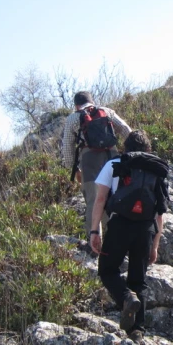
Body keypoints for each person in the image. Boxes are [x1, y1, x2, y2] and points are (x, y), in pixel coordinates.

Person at [89, 130, 169, 344]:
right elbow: (160, 211)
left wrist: (95, 230)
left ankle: (126, 298)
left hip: (120, 225)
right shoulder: (155, 169)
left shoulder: (114, 164)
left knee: (107, 270)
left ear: (126, 147)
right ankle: (137, 332)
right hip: (145, 228)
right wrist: (155, 244)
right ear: (148, 149)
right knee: (138, 280)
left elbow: (100, 200)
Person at [62, 91, 131, 238]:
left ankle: (93, 241)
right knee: (114, 196)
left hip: (89, 161)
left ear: (76, 105)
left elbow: (67, 147)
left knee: (94, 200)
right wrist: (132, 153)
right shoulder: (106, 111)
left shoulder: (73, 118)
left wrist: (75, 170)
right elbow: (126, 130)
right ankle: (115, 238)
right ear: (92, 101)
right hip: (112, 157)